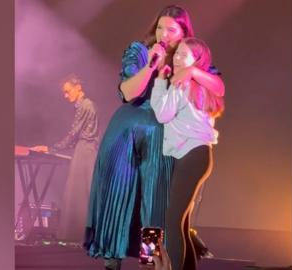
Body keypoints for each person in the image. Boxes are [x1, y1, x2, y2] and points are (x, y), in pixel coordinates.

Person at [84, 5, 224, 270]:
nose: (164, 34)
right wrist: (150, 66)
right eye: (160, 27)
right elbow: (128, 93)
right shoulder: (140, 51)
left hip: (162, 140)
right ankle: (111, 261)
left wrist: (192, 72)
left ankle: (151, 263)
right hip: (124, 135)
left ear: (184, 32)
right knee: (118, 197)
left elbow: (217, 85)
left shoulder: (187, 57)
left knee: (155, 204)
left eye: (171, 29)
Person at [150, 37, 224, 270]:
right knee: (178, 224)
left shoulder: (183, 83)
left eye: (184, 54)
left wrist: (160, 81)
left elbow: (162, 114)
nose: (177, 58)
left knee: (171, 221)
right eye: (177, 53)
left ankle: (159, 266)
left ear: (196, 61)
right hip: (191, 155)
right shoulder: (194, 83)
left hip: (191, 154)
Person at [31, 75, 99, 244]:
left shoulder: (86, 105)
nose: (66, 96)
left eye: (68, 92)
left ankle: (79, 236)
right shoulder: (84, 105)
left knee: (80, 193)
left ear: (78, 88)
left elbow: (73, 134)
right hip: (84, 149)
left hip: (86, 151)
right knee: (78, 192)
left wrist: (51, 148)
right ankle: (80, 235)